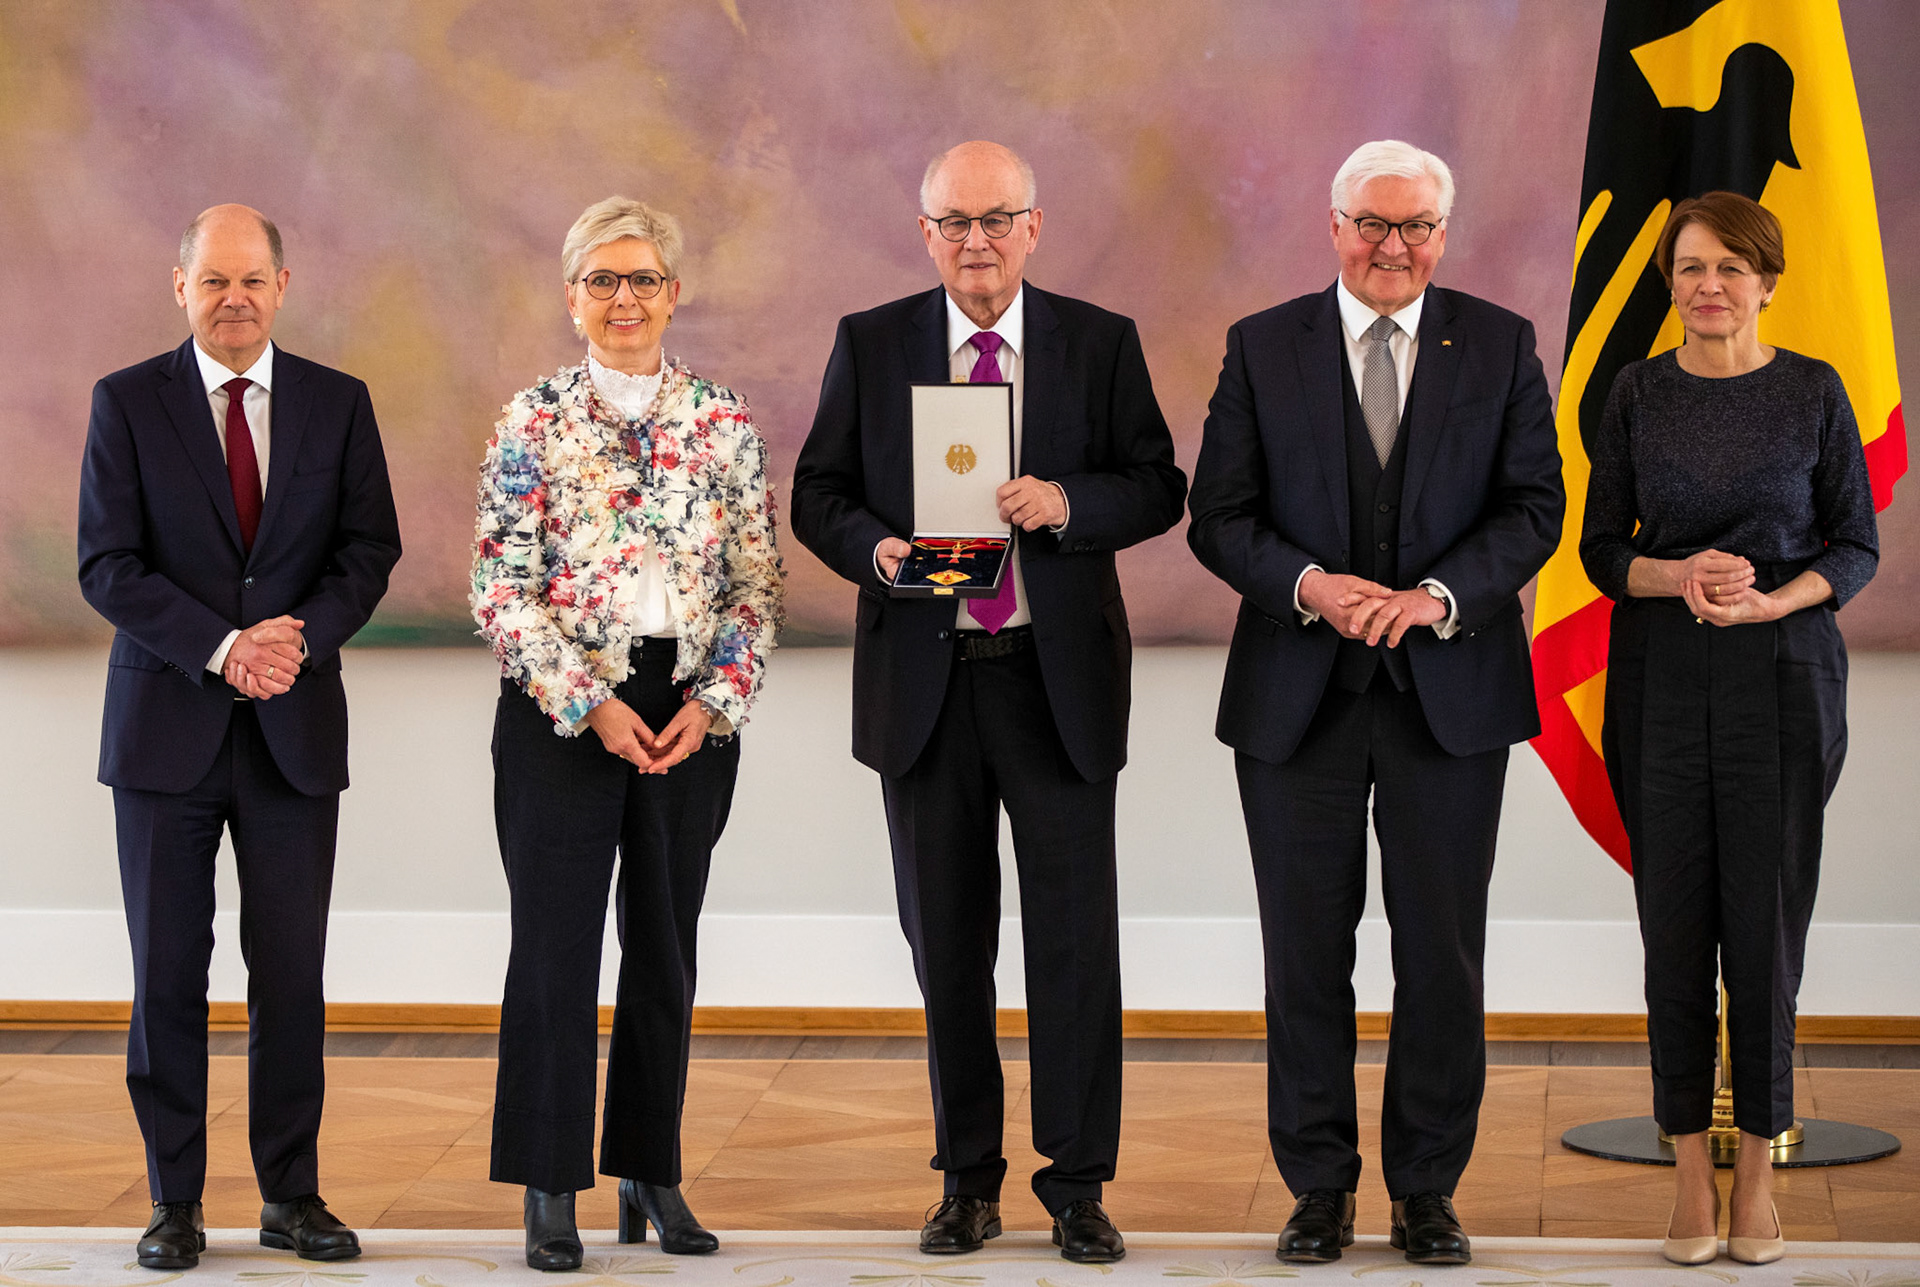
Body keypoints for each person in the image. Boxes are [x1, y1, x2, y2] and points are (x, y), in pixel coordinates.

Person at [790, 141, 1185, 1263]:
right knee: (947, 948)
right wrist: (882, 553)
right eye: (954, 222)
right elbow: (817, 495)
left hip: (1052, 685)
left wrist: (1066, 500)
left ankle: (1077, 1183)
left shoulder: (1097, 342)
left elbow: (1159, 484)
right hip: (927, 688)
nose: (976, 240)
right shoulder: (872, 343)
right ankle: (966, 1179)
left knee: (1073, 945)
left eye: (996, 219)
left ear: (1034, 225)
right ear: (926, 234)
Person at [1187, 140, 1563, 1266]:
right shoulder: (1263, 347)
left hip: (1451, 696)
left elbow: (1533, 509)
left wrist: (1440, 597)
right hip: (1295, 701)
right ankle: (1318, 1188)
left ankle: (1427, 1190)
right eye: (1373, 225)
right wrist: (1309, 586)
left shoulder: (1498, 343)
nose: (1394, 248)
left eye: (1417, 230)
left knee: (1441, 954)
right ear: (1333, 223)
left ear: (1444, 235)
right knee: (1304, 951)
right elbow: (1219, 516)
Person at [76, 205, 403, 1270]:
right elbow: (108, 565)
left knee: (290, 975)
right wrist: (225, 648)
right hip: (165, 733)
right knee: (167, 973)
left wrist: (293, 644)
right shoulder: (126, 403)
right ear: (180, 287)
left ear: (284, 283)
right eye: (213, 281)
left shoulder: (338, 404)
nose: (234, 299)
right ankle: (174, 1203)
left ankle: (292, 1196)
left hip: (293, 732)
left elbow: (368, 550)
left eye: (251, 280)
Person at [471, 197, 783, 1271]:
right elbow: (500, 589)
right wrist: (588, 701)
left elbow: (757, 583)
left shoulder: (723, 419)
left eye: (643, 279)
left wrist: (717, 702)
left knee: (665, 948)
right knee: (554, 951)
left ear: (673, 293)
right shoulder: (530, 420)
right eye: (602, 281)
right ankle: (550, 1183)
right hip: (561, 708)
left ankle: (651, 1172)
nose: (624, 299)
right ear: (571, 298)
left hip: (688, 707)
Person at [1580, 191, 1877, 1268]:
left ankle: (1758, 1176)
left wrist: (1768, 600)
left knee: (1764, 932)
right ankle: (1689, 1187)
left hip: (1784, 677)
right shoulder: (1638, 393)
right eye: (1690, 268)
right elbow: (1601, 549)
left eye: (1729, 268)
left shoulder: (1812, 391)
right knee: (1674, 935)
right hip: (1659, 678)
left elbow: (1855, 548)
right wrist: (1674, 575)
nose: (1708, 286)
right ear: (1672, 284)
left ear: (1767, 280)